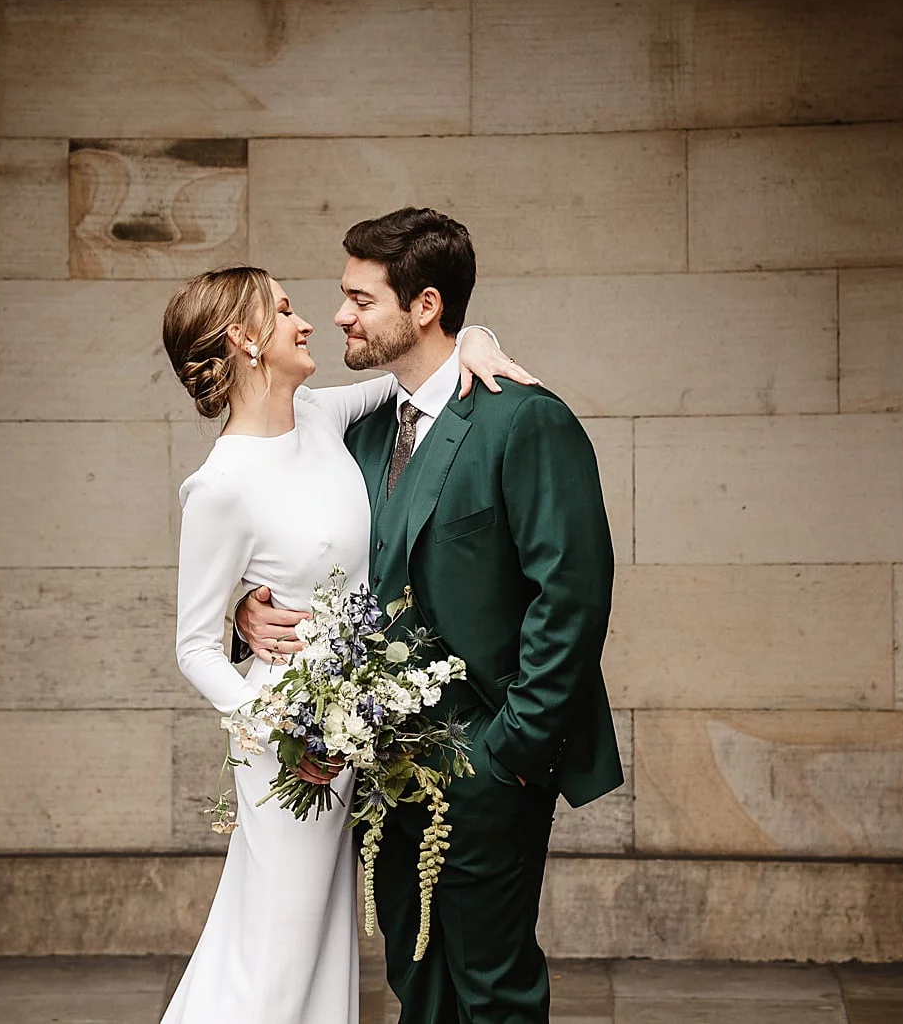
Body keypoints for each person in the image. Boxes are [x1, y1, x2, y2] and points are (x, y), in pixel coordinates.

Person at [236, 208, 622, 1023]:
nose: (339, 313)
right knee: (419, 986)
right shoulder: (363, 431)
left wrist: (511, 752)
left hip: (491, 760)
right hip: (382, 767)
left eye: (359, 299)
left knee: (493, 987)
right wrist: (244, 605)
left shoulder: (526, 419)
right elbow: (290, 534)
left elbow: (573, 598)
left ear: (425, 306)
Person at [159, 261, 535, 1024]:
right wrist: (289, 731)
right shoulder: (219, 483)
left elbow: (424, 364)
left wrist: (483, 338)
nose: (309, 322)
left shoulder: (322, 415)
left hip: (356, 729)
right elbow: (194, 647)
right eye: (287, 309)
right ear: (245, 339)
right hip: (291, 746)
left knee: (323, 940)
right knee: (281, 945)